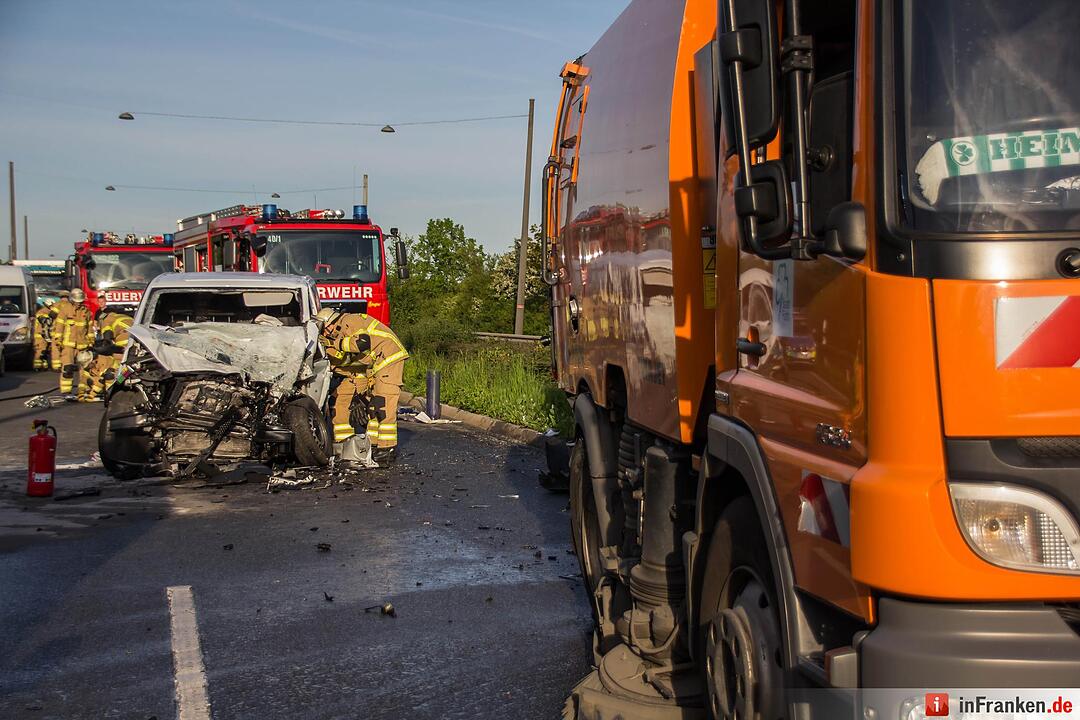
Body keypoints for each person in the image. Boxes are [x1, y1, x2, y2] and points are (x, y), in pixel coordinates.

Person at [315, 307, 408, 464]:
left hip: (389, 360)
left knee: (383, 406)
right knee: (374, 407)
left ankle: (387, 449)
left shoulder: (348, 321)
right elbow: (350, 359)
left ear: (329, 324)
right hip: (377, 365)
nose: (325, 334)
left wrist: (333, 343)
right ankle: (373, 445)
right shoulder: (344, 329)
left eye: (324, 330)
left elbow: (362, 343)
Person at [83, 309, 133, 400]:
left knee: (119, 368)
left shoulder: (106, 320)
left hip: (124, 340)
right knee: (130, 367)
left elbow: (108, 339)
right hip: (137, 340)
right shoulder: (120, 316)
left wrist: (98, 350)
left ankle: (113, 391)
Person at [51, 288, 94, 395]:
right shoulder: (65, 310)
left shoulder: (86, 312)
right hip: (68, 345)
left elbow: (89, 329)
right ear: (72, 300)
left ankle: (83, 390)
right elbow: (59, 327)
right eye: (77, 301)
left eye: (80, 301)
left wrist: (91, 341)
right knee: (67, 368)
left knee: (84, 370)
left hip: (83, 345)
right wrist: (58, 341)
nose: (79, 304)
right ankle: (66, 391)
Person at [32, 299, 55, 371]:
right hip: (40, 335)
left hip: (46, 335)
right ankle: (37, 367)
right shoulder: (42, 312)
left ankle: (44, 366)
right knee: (40, 351)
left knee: (45, 351)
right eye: (51, 306)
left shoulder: (49, 312)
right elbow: (44, 321)